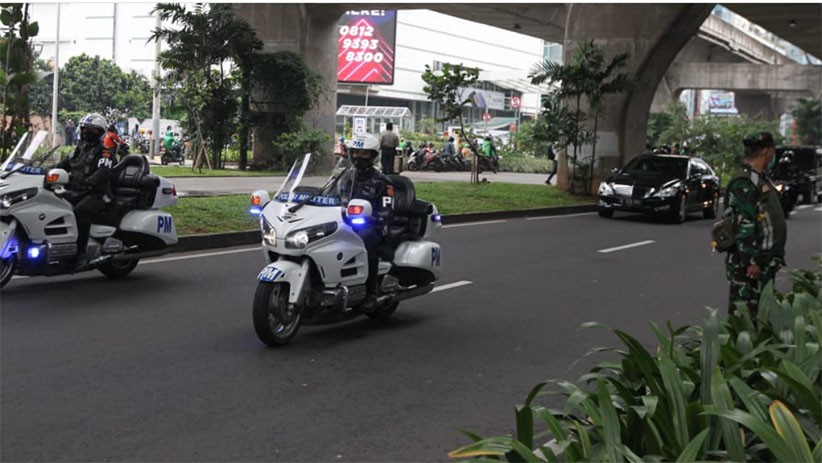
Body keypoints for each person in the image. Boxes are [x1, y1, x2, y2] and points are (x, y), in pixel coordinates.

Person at [723, 131, 787, 316]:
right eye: (772, 151)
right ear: (766, 152)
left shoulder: (759, 179)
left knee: (761, 315)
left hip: (763, 263)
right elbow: (744, 226)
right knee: (745, 316)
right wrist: (751, 262)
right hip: (750, 267)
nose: (773, 155)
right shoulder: (744, 182)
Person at [340, 132, 395, 311]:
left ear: (372, 156)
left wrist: (372, 218)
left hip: (374, 227)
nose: (358, 157)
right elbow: (331, 197)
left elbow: (387, 211)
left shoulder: (382, 182)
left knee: (364, 243)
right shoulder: (345, 177)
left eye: (363, 154)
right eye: (355, 152)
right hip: (345, 222)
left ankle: (370, 293)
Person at [55, 113, 115, 268]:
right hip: (76, 192)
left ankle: (80, 253)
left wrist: (88, 183)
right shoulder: (77, 151)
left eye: (92, 130)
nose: (87, 133)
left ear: (100, 132)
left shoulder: (105, 153)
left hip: (98, 195)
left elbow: (104, 172)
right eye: (84, 129)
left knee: (81, 211)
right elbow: (60, 166)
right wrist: (43, 173)